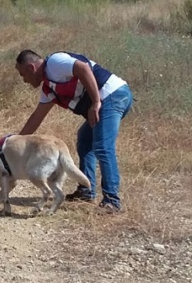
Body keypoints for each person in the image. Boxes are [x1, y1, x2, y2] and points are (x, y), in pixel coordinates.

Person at [15, 49, 133, 213]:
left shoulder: (55, 63)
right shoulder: (49, 89)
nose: (24, 80)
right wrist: (12, 143)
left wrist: (96, 102)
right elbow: (36, 117)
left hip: (112, 95)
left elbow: (83, 68)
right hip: (109, 98)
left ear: (31, 68)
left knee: (102, 146)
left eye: (22, 75)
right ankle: (86, 191)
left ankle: (112, 201)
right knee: (85, 141)